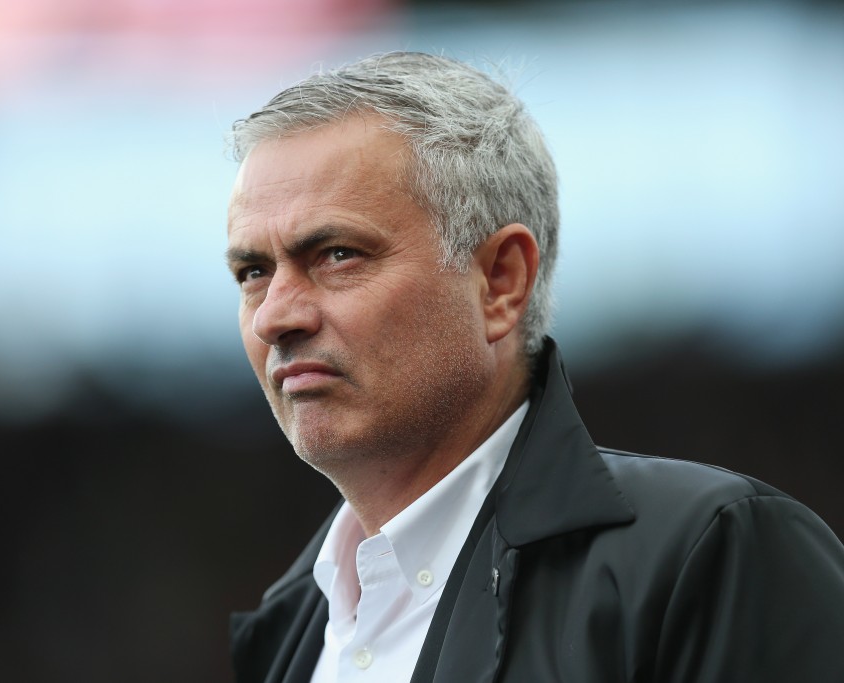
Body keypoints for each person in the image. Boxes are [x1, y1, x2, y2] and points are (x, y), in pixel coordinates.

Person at [224, 52, 844, 683]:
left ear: (500, 282)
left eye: (337, 254)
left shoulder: (708, 555)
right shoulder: (286, 632)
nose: (275, 317)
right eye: (253, 273)